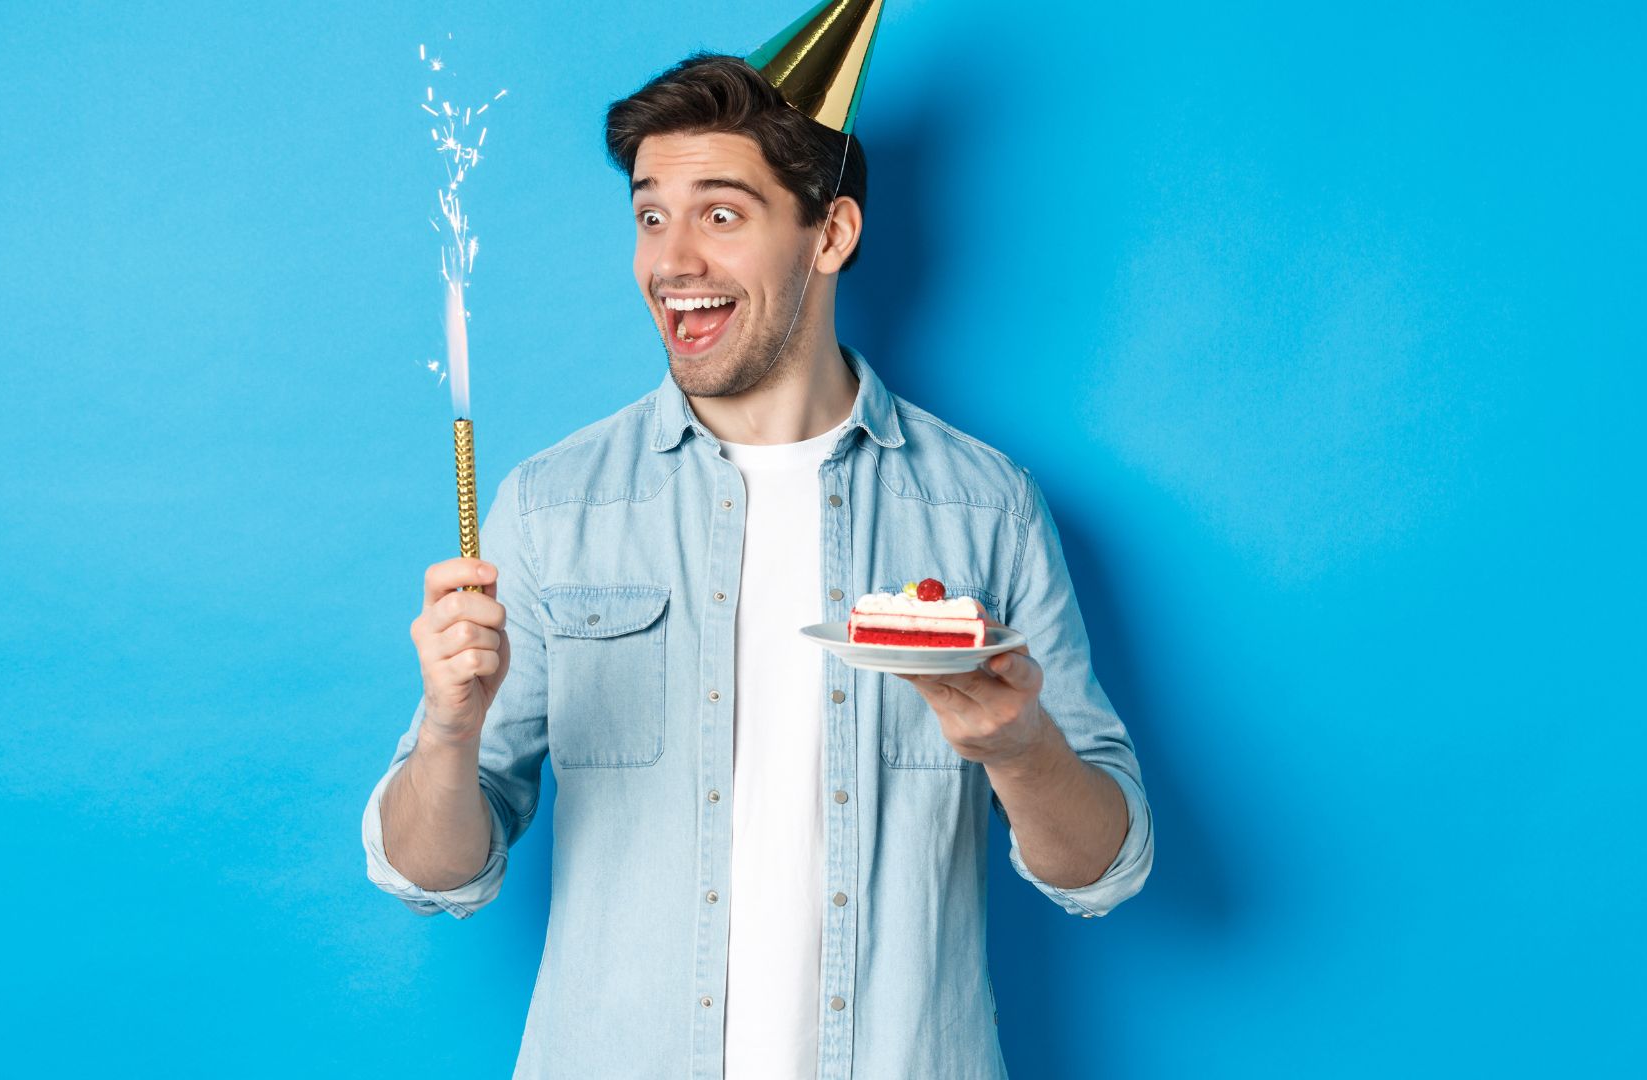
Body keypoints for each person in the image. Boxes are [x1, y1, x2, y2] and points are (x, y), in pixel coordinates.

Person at [363, 9, 1152, 1078]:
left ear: (830, 235)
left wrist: (1019, 748)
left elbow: (1103, 867)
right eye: (650, 217)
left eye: (721, 215)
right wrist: (452, 733)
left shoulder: (986, 509)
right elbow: (436, 873)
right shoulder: (553, 508)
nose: (671, 261)